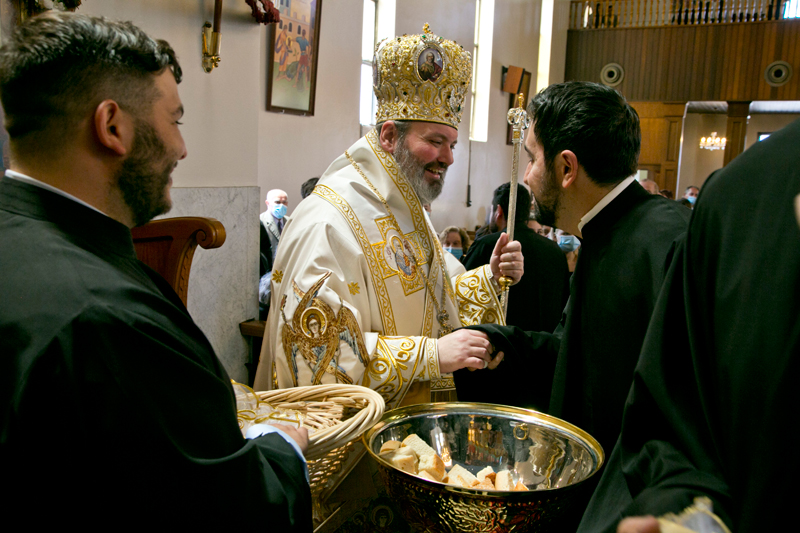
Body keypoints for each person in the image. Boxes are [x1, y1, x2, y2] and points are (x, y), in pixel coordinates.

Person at [0, 12, 310, 526]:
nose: (181, 148)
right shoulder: (107, 320)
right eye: (175, 121)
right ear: (112, 126)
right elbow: (227, 510)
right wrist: (284, 451)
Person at [253, 24, 522, 408]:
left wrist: (490, 278)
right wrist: (431, 356)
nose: (447, 158)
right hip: (350, 448)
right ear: (389, 136)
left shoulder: (407, 210)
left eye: (452, 145)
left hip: (408, 429)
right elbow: (315, 353)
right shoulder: (328, 221)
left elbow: (434, 303)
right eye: (434, 141)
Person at [577, 118, 800, 533]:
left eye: (534, 159)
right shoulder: (743, 194)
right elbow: (678, 415)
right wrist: (687, 512)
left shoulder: (663, 230)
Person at [464, 81, 690, 468]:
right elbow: (577, 358)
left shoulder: (669, 241)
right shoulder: (606, 235)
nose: (529, 176)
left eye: (533, 159)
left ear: (566, 168)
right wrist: (495, 342)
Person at [456, 183, 570, 409]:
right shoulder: (554, 251)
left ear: (498, 210)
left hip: (498, 366)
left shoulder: (488, 245)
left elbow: (463, 304)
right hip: (543, 366)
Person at [259, 188, 289, 318]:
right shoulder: (260, 222)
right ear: (267, 203)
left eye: (284, 202)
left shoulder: (289, 221)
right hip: (268, 274)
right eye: (277, 202)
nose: (281, 206)